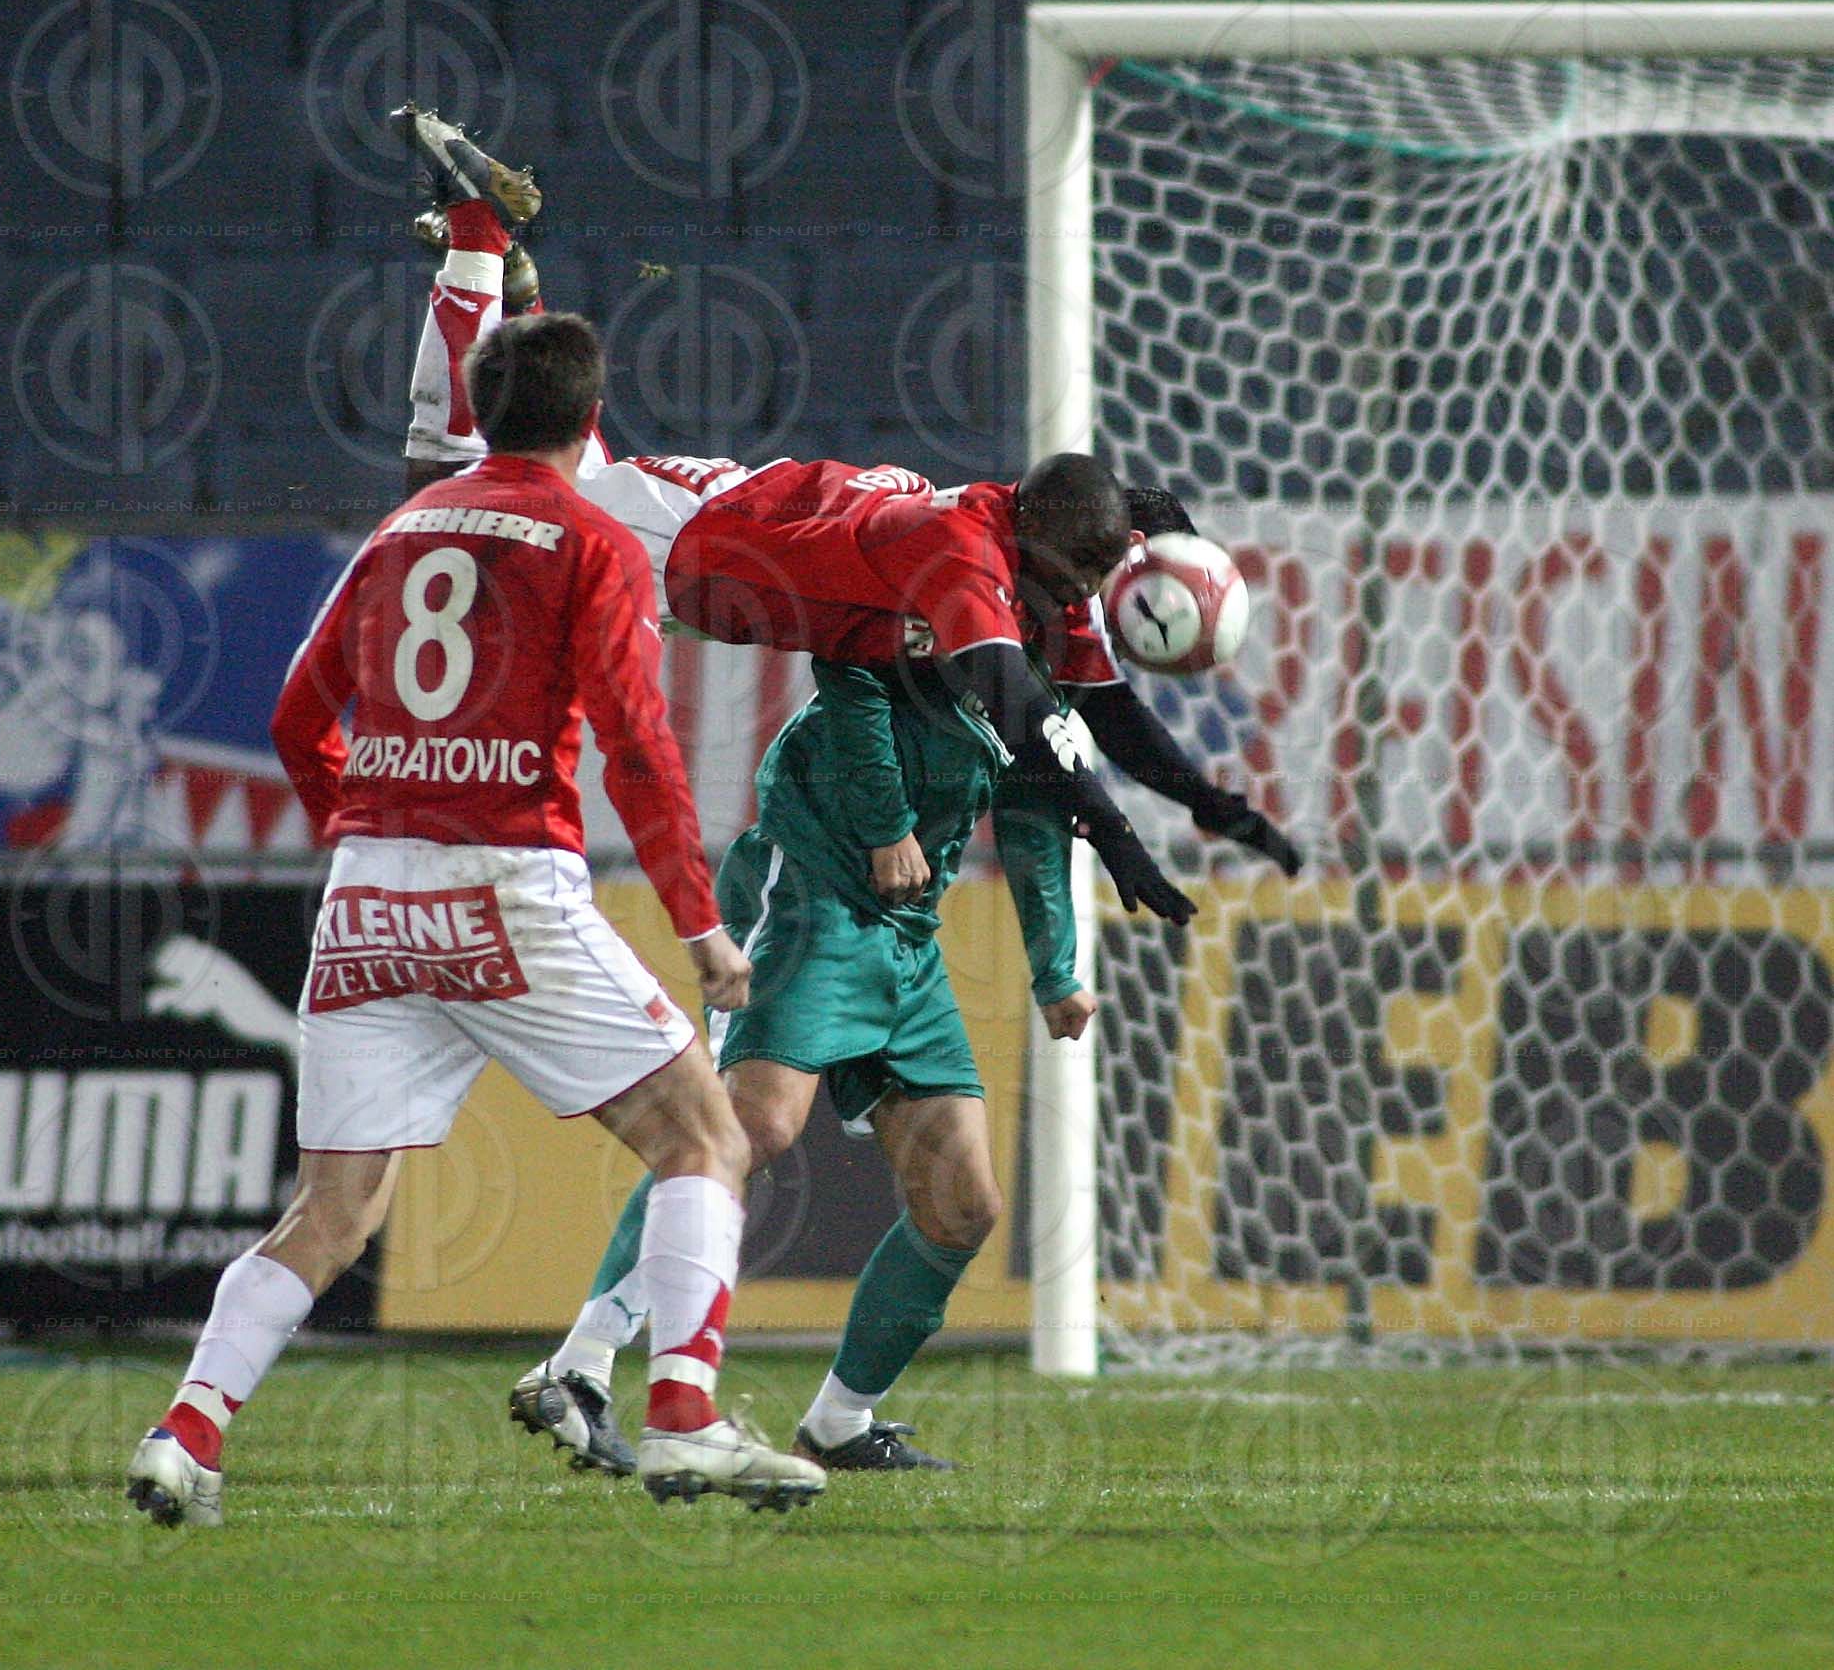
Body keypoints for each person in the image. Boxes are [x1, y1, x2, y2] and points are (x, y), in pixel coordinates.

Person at [124, 311, 826, 1526]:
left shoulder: (401, 527)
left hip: (366, 900)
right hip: (505, 887)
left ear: (484, 413)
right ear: (591, 416)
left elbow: (297, 718)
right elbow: (638, 747)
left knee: (330, 1211)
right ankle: (683, 1414)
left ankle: (184, 1435)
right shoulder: (593, 540)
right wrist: (701, 925)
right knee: (704, 1137)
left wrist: (375, 831)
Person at [393, 109, 1298, 920]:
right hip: (686, 547)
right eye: (1087, 581)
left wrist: (1218, 808)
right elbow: (1022, 715)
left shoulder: (1042, 538)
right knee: (448, 491)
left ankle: (517, 294)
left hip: (723, 513)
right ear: (1051, 554)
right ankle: (479, 233)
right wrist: (1115, 833)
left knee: (542, 456)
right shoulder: (962, 555)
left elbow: (1110, 711)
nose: (1088, 601)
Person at [515, 656, 1093, 1472]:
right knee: (748, 1129)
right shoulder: (940, 598)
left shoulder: (1048, 658)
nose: (1087, 597)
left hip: (907, 933)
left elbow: (1033, 812)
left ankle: (839, 1425)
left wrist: (1055, 967)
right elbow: (849, 664)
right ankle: (581, 1364)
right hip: (809, 895)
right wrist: (887, 825)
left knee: (962, 1202)